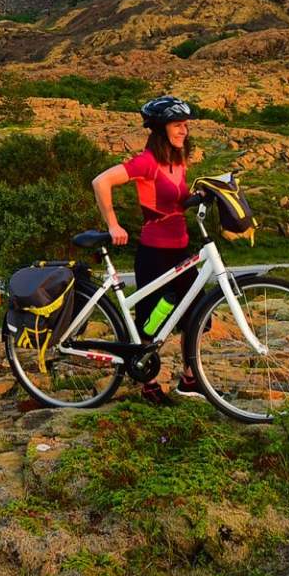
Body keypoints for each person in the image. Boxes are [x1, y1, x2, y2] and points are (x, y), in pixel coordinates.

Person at [91, 94, 203, 401]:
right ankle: (146, 383)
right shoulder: (147, 162)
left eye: (185, 126)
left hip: (181, 249)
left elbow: (175, 199)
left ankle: (190, 380)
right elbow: (101, 181)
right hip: (155, 253)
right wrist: (113, 224)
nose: (184, 131)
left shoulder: (179, 160)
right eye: (178, 126)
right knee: (152, 321)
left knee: (194, 315)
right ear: (161, 129)